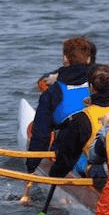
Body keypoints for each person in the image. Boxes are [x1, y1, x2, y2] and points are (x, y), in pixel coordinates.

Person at [26, 36, 95, 173]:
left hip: (72, 159)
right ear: (88, 59)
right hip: (104, 154)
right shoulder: (101, 85)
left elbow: (41, 136)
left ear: (65, 59)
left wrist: (31, 166)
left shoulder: (52, 93)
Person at [47, 64, 109, 179]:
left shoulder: (81, 119)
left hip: (102, 175)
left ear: (91, 87)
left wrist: (53, 175)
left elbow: (66, 159)